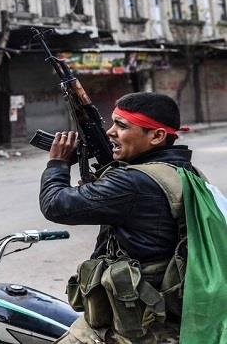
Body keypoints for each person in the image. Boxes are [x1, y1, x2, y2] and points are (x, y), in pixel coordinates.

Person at [40, 92, 196, 344]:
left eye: (122, 126)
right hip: (169, 312)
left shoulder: (132, 182)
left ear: (157, 136)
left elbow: (56, 205)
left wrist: (57, 164)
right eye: (112, 123)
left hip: (134, 323)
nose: (110, 132)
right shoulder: (183, 171)